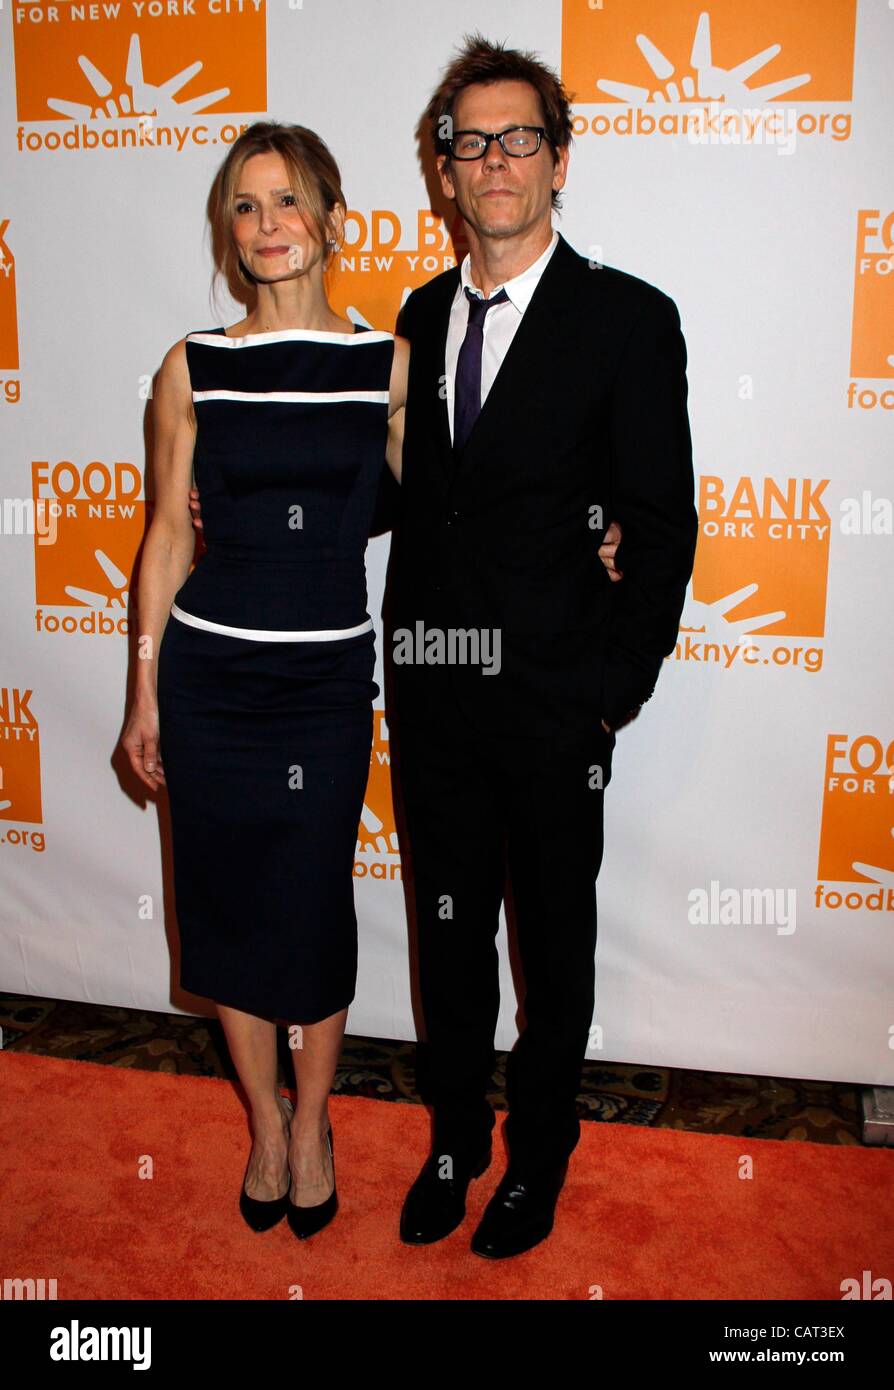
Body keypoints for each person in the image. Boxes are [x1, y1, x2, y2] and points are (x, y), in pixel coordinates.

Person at [388, 35, 697, 1260]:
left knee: (550, 942)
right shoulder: (416, 314)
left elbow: (663, 522)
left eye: (520, 137)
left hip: (556, 700)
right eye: (471, 140)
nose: (495, 160)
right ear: (445, 171)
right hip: (433, 690)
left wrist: (611, 689)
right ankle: (456, 1137)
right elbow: (409, 492)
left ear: (558, 160)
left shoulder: (627, 320)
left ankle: (541, 1154)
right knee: (449, 928)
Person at [120, 120, 408, 1241]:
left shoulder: (384, 362)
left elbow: (451, 509)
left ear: (331, 215)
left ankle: (320, 1117)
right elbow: (164, 537)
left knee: (313, 907)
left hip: (326, 684)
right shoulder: (192, 363)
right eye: (245, 206)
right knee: (229, 910)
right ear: (227, 233)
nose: (267, 225)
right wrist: (145, 691)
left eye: (287, 200)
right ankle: (266, 1126)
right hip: (209, 680)